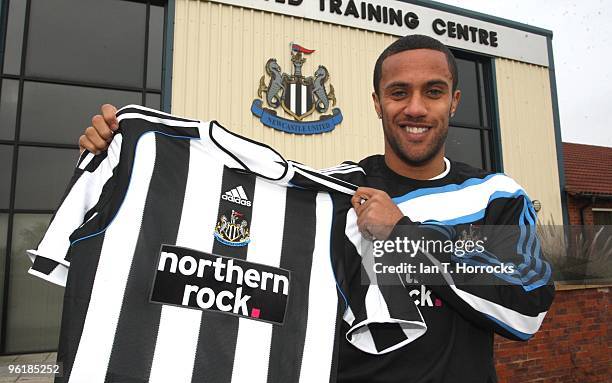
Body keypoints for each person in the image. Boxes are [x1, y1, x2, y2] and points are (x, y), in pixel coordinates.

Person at [79, 35, 554, 382]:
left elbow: (525, 308)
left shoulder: (496, 194)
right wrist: (123, 157)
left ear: (454, 102)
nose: (414, 108)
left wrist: (405, 233)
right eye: (398, 93)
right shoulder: (335, 193)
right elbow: (238, 260)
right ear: (377, 102)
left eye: (432, 92)